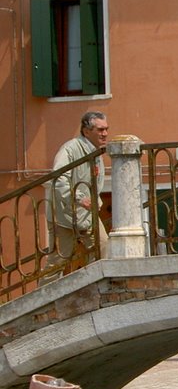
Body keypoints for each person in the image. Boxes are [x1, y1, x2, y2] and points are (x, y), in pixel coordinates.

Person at [46, 111, 110, 273]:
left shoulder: (97, 152)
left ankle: (96, 287)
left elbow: (95, 184)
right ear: (86, 131)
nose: (105, 134)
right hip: (63, 215)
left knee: (103, 248)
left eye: (106, 129)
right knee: (58, 262)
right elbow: (58, 178)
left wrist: (97, 202)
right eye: (100, 130)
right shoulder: (70, 149)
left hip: (87, 215)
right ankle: (48, 297)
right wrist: (79, 199)